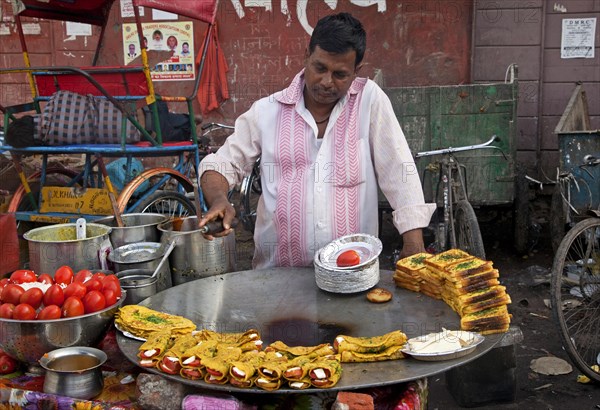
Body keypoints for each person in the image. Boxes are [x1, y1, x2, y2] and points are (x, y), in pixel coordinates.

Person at [199, 13, 435, 269]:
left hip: (353, 275)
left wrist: (413, 241)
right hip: (279, 277)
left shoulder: (370, 101)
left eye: (340, 74)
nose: (326, 82)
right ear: (306, 56)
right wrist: (219, 200)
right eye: (319, 68)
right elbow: (221, 165)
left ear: (357, 71)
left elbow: (399, 170)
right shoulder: (267, 111)